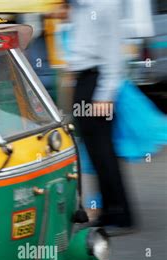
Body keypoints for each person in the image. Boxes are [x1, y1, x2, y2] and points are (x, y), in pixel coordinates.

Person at [63, 0, 134, 234]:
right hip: (84, 80)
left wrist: (105, 94)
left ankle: (120, 215)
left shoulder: (105, 6)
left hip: (96, 82)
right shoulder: (80, 6)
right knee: (95, 152)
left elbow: (113, 55)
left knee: (104, 152)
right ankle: (107, 212)